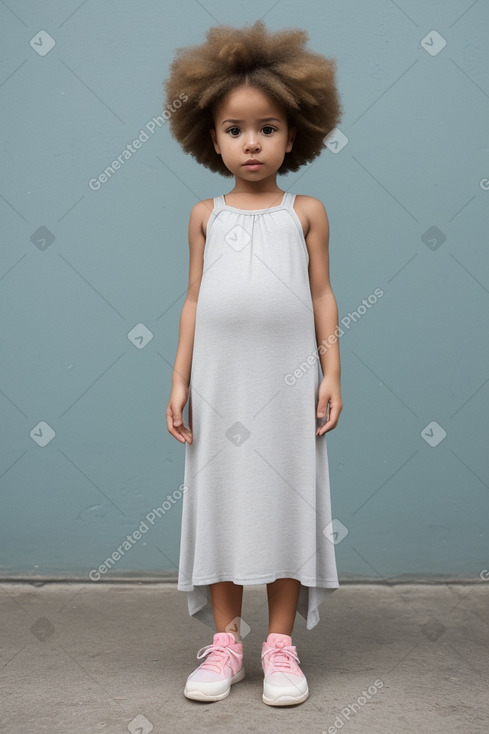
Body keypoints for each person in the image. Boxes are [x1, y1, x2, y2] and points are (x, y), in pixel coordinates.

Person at [164, 19, 343, 707]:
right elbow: (191, 298)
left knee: (286, 501)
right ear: (211, 138)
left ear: (293, 135)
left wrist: (331, 372)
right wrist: (178, 379)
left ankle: (279, 645)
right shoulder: (205, 215)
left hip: (288, 380)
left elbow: (324, 296)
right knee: (222, 501)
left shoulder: (306, 212)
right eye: (235, 129)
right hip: (218, 382)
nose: (251, 142)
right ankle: (225, 639)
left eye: (266, 128)